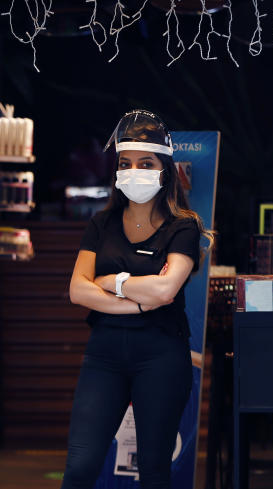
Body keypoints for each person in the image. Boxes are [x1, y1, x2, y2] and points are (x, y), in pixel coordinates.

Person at [61, 110, 209, 489]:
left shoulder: (183, 226)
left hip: (161, 354)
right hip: (104, 354)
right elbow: (78, 290)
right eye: (125, 163)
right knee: (80, 465)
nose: (134, 170)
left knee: (154, 469)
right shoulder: (102, 224)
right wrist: (138, 301)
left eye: (146, 163)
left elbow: (165, 290)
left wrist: (112, 282)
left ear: (165, 169)